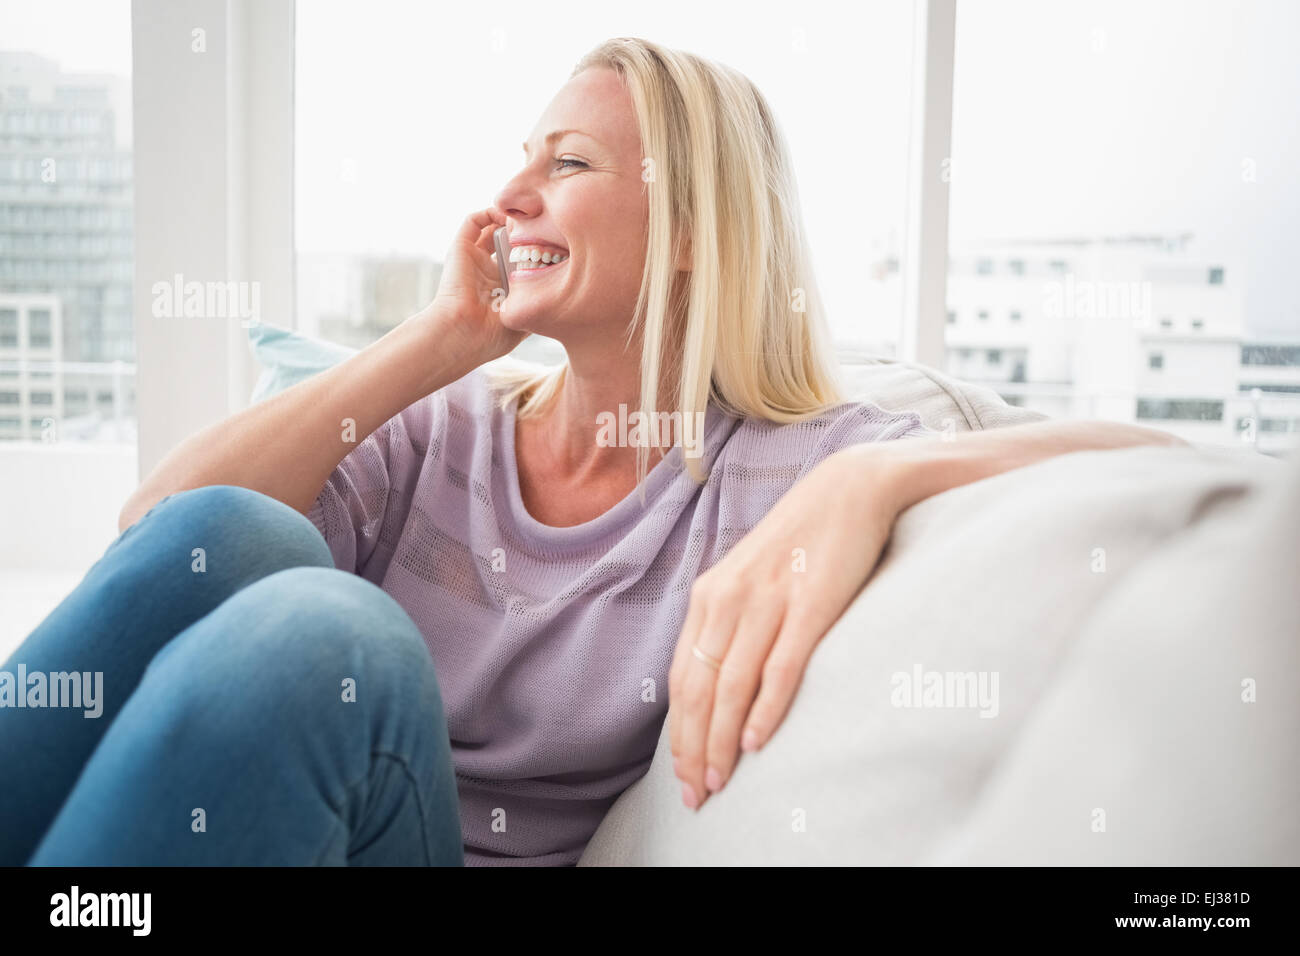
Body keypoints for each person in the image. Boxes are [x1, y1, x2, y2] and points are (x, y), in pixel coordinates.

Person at [0, 37, 1183, 867]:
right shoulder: (438, 426)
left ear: (687, 230)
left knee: (329, 634)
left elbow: (1159, 459)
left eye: (564, 164)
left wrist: (883, 475)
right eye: (520, 157)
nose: (509, 193)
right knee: (243, 536)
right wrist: (436, 339)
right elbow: (157, 533)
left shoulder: (789, 464)